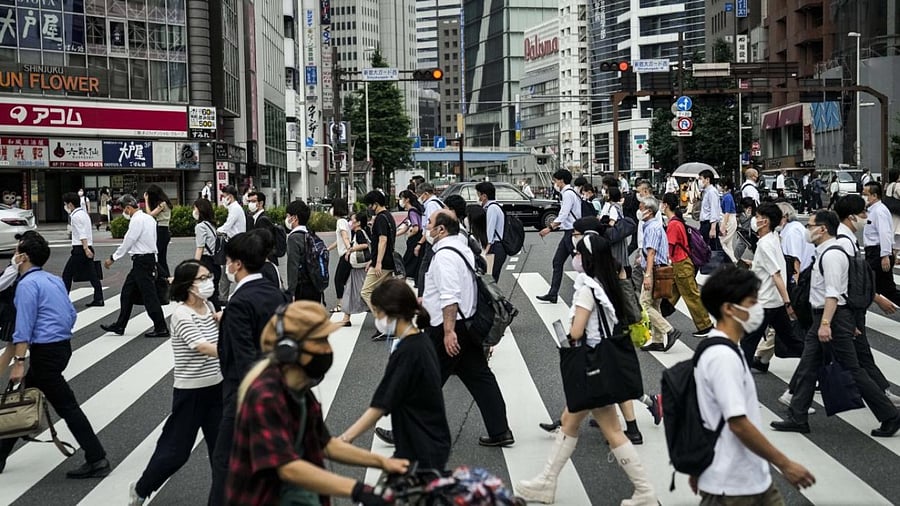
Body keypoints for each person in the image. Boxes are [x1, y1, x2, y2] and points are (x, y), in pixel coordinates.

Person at [517, 234, 657, 506]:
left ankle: (645, 492)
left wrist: (567, 337)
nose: (575, 257)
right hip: (603, 367)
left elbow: (577, 331)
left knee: (601, 429)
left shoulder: (586, 289)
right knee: (579, 424)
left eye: (578, 253)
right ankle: (547, 482)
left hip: (591, 368)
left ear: (588, 258)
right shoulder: (607, 284)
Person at [225, 301, 408, 505]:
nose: (327, 349)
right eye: (320, 341)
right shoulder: (266, 396)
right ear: (290, 349)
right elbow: (286, 466)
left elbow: (325, 444)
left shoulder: (300, 389)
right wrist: (358, 490)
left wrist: (383, 462)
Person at [771, 210, 900, 436]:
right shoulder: (825, 252)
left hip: (831, 316)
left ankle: (890, 415)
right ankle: (798, 416)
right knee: (809, 366)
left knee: (853, 369)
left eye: (810, 226)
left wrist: (827, 324)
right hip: (825, 317)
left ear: (822, 229)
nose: (807, 230)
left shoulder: (831, 255)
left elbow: (834, 294)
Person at [693, 265, 815, 503]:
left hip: (745, 477)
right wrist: (785, 464)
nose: (758, 308)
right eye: (752, 302)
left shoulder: (722, 347)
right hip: (734, 485)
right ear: (729, 309)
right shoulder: (723, 357)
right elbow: (737, 422)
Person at [0, 231, 109, 478]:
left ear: (24, 257)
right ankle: (1, 455)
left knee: (66, 405)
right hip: (61, 347)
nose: (14, 256)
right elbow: (70, 314)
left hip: (45, 352)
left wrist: (18, 362)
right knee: (24, 397)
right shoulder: (53, 280)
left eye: (17, 252)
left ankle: (97, 457)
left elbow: (23, 327)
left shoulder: (27, 285)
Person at [129, 260, 223, 505]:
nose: (208, 282)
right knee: (175, 453)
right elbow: (201, 346)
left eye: (209, 276)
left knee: (223, 453)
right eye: (202, 278)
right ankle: (141, 489)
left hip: (217, 390)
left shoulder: (210, 306)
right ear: (188, 285)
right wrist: (236, 352)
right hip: (190, 393)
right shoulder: (182, 315)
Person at [208, 231, 290, 506]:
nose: (227, 266)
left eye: (229, 261)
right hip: (278, 386)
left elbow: (244, 358)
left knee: (225, 461)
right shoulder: (276, 294)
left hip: (245, 394)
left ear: (238, 264)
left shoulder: (239, 303)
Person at [423, 210, 514, 446]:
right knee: (480, 378)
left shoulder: (444, 256)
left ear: (441, 229)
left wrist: (448, 331)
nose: (427, 226)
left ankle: (409, 429)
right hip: (467, 323)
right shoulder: (461, 247)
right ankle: (500, 431)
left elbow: (450, 296)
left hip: (449, 326)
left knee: (425, 377)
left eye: (430, 223)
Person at [340, 279, 451, 469]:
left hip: (421, 446)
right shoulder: (422, 340)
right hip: (428, 440)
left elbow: (381, 404)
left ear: (390, 313)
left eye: (377, 312)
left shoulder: (408, 352)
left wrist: (345, 438)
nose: (376, 318)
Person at [833, 196, 900, 407]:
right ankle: (883, 402)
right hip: (846, 308)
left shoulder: (848, 238)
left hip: (845, 307)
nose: (866, 217)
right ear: (851, 216)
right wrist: (877, 298)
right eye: (863, 213)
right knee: (856, 357)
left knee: (822, 355)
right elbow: (849, 280)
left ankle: (797, 397)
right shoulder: (843, 242)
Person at [100, 195, 168, 338]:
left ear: (129, 208)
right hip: (145, 260)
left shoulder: (136, 220)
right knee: (127, 293)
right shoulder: (149, 219)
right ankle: (120, 325)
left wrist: (113, 258)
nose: (124, 213)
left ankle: (161, 327)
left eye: (124, 210)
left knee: (149, 296)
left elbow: (128, 241)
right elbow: (152, 241)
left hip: (142, 262)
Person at [738, 203, 795, 372]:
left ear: (765, 221)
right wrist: (754, 264)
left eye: (757, 217)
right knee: (791, 340)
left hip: (765, 303)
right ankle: (817, 361)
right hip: (774, 302)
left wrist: (788, 303)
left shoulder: (764, 244)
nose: (755, 220)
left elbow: (775, 274)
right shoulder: (773, 238)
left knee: (747, 342)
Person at [661, 193, 713, 338]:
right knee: (671, 293)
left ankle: (706, 325)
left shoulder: (673, 224)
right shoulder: (678, 222)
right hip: (683, 262)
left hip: (681, 263)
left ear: (665, 205)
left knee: (690, 295)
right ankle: (658, 318)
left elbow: (670, 247)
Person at [638, 196, 681, 352]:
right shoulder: (653, 226)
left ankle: (669, 330)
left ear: (649, 211)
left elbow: (651, 253)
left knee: (644, 303)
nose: (639, 210)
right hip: (658, 268)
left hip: (655, 270)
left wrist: (648, 275)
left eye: (641, 207)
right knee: (655, 305)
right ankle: (657, 340)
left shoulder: (652, 228)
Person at [537, 169, 581, 303]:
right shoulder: (570, 192)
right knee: (558, 262)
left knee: (581, 265)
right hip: (569, 232)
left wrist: (549, 228)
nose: (554, 183)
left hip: (572, 233)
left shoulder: (567, 194)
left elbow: (564, 214)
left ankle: (593, 291)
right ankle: (553, 293)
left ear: (561, 180)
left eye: (555, 180)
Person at [361, 191, 397, 341]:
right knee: (385, 295)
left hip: (383, 263)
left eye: (370, 204)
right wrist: (374, 259)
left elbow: (383, 241)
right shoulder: (388, 216)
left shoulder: (381, 219)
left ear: (375, 203)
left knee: (366, 291)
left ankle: (385, 324)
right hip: (388, 261)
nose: (369, 207)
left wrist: (378, 263)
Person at [61, 192, 103, 307]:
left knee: (67, 274)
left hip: (80, 249)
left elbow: (82, 233)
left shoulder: (75, 216)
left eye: (65, 204)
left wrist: (85, 248)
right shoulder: (84, 214)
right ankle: (99, 298)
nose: (65, 207)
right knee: (92, 274)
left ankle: (63, 300)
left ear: (70, 204)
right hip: (88, 247)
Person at [862, 182, 900, 305]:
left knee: (866, 285)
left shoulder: (879, 211)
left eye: (865, 194)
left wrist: (885, 255)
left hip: (877, 254)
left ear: (874, 195)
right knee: (885, 289)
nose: (864, 197)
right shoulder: (873, 210)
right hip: (874, 253)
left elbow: (885, 234)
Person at [336, 211, 371, 327]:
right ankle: (346, 318)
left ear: (358, 222)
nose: (351, 222)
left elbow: (365, 245)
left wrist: (351, 250)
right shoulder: (358, 232)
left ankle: (385, 317)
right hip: (357, 268)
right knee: (350, 292)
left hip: (361, 269)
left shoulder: (360, 232)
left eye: (353, 220)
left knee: (366, 293)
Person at [285, 199, 322, 303]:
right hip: (315, 285)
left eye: (288, 216)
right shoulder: (310, 234)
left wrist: (291, 292)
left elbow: (293, 267)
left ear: (295, 218)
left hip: (302, 288)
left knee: (302, 318)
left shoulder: (293, 238)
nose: (287, 219)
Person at [216, 185, 247, 301]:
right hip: (235, 242)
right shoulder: (234, 208)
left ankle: (224, 297)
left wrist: (216, 231)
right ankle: (223, 297)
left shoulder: (234, 208)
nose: (223, 199)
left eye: (224, 196)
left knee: (229, 270)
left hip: (236, 244)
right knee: (227, 271)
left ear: (230, 197)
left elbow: (227, 225)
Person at [413, 182, 445, 296]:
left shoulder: (431, 205)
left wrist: (419, 243)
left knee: (424, 270)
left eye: (419, 195)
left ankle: (422, 297)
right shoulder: (437, 202)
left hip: (432, 242)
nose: (418, 198)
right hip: (436, 241)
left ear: (425, 194)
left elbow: (430, 227)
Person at [192, 198, 223, 310]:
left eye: (195, 208)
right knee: (213, 294)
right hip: (215, 263)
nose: (194, 211)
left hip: (206, 263)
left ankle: (219, 320)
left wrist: (194, 266)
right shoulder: (211, 225)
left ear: (200, 210)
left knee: (209, 295)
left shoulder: (200, 227)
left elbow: (200, 248)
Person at [325, 197, 352, 314]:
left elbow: (344, 237)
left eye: (332, 207)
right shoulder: (344, 221)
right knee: (345, 280)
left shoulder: (340, 222)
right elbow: (339, 239)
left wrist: (348, 249)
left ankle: (341, 305)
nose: (331, 209)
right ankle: (345, 303)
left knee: (338, 280)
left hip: (345, 255)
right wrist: (328, 249)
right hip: (347, 254)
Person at [478, 181, 507, 282]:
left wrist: (485, 251)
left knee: (490, 280)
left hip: (495, 247)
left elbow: (490, 232)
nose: (479, 198)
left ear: (484, 196)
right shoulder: (497, 206)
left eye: (479, 195)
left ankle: (495, 298)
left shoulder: (492, 208)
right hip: (499, 246)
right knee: (493, 278)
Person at [144, 184, 172, 278]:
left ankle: (164, 277)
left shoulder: (162, 204)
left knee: (157, 257)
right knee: (162, 258)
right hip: (164, 231)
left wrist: (146, 200)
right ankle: (166, 278)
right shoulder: (165, 203)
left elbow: (150, 214)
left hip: (161, 231)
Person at [247, 191, 281, 266]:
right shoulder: (255, 218)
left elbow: (265, 242)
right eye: (249, 201)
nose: (250, 204)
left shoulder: (263, 220)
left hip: (265, 261)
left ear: (261, 203)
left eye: (253, 201)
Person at [396, 190, 423, 283]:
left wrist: (410, 234)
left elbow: (416, 228)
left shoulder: (412, 211)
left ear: (407, 200)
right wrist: (395, 235)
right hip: (416, 240)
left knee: (407, 263)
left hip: (414, 240)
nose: (400, 201)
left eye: (401, 198)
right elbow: (406, 227)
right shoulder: (414, 210)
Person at [698, 169, 722, 247]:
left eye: (701, 179)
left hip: (709, 224)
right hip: (704, 224)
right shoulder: (706, 192)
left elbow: (714, 210)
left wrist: (713, 228)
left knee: (713, 249)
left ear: (707, 179)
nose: (700, 181)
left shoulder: (712, 192)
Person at [719, 180, 738, 262]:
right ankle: (733, 261)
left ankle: (733, 261)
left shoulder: (727, 197)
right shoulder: (728, 196)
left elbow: (727, 213)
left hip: (729, 220)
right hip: (730, 219)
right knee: (728, 244)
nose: (719, 187)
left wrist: (723, 226)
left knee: (721, 241)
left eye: (721, 185)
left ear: (725, 187)